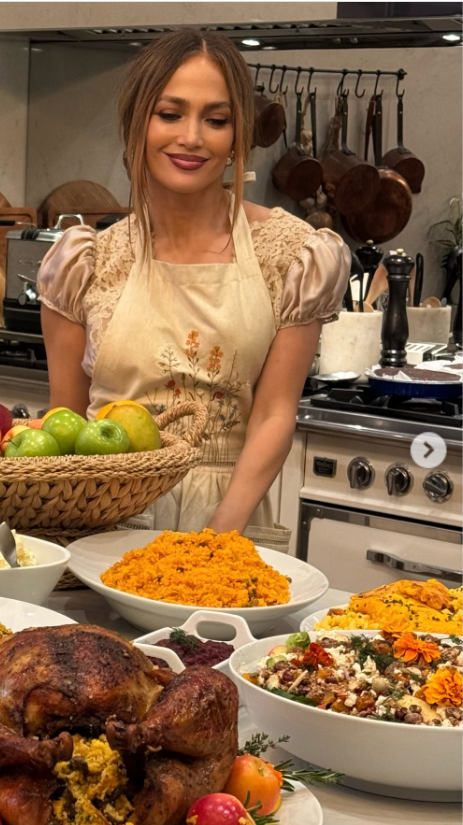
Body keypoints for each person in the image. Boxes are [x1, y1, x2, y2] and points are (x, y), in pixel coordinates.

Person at [38, 30, 350, 552]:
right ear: (136, 123)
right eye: (170, 114)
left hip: (230, 519)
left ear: (237, 138)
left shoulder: (293, 254)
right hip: (101, 524)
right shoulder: (85, 262)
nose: (192, 137)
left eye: (216, 120)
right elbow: (64, 426)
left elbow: (274, 415)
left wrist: (214, 542)